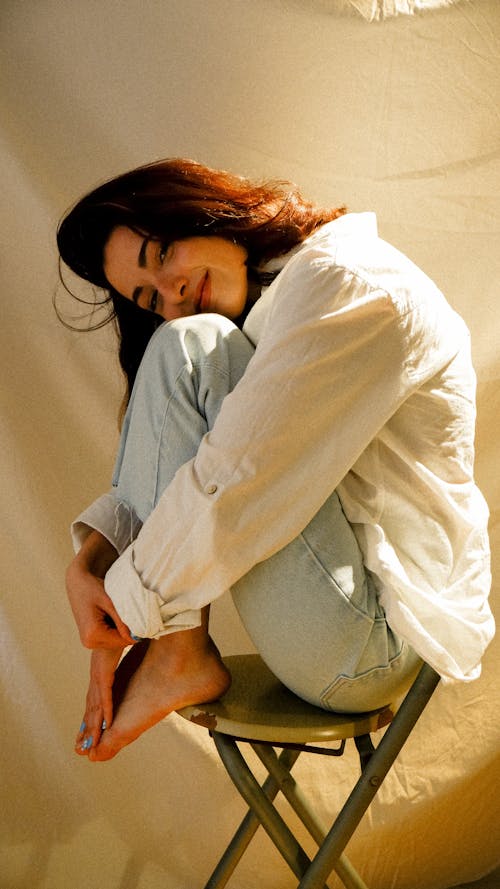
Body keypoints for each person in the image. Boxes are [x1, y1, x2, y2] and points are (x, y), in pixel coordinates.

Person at [57, 157, 494, 763]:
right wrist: (94, 564)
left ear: (201, 209)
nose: (171, 294)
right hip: (333, 622)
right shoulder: (281, 297)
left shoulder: (345, 283)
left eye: (161, 256)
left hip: (371, 644)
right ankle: (176, 651)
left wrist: (118, 628)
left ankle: (176, 654)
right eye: (148, 298)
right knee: (186, 344)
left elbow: (237, 484)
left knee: (190, 345)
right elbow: (200, 465)